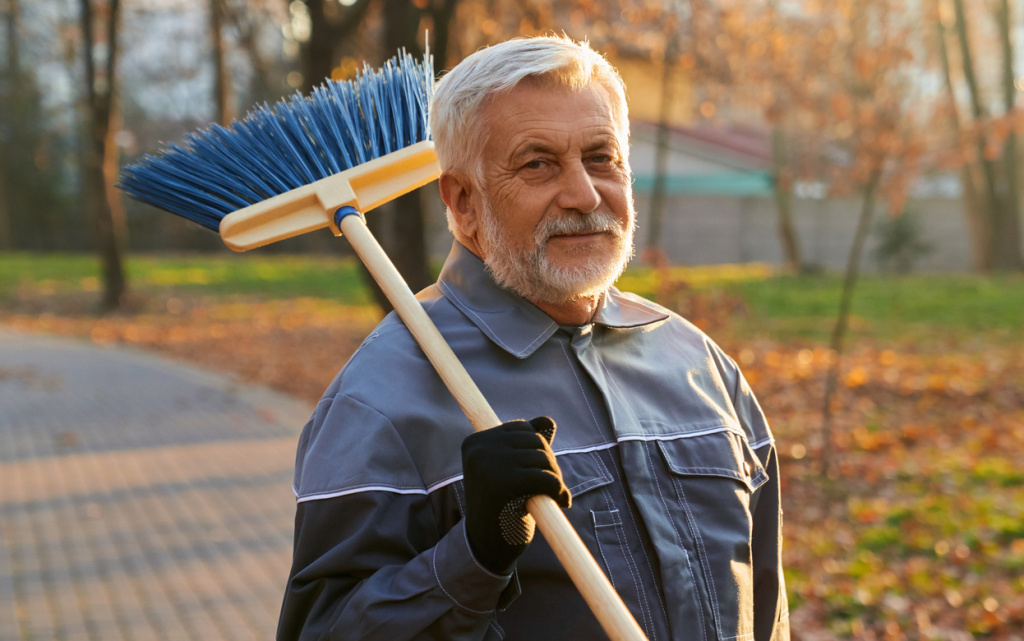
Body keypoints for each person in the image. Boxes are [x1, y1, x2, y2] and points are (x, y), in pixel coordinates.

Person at [277, 35, 789, 641]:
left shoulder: (701, 368)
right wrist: (475, 554)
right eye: (537, 164)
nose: (583, 195)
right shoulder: (378, 403)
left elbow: (767, 612)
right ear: (463, 200)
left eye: (602, 158)